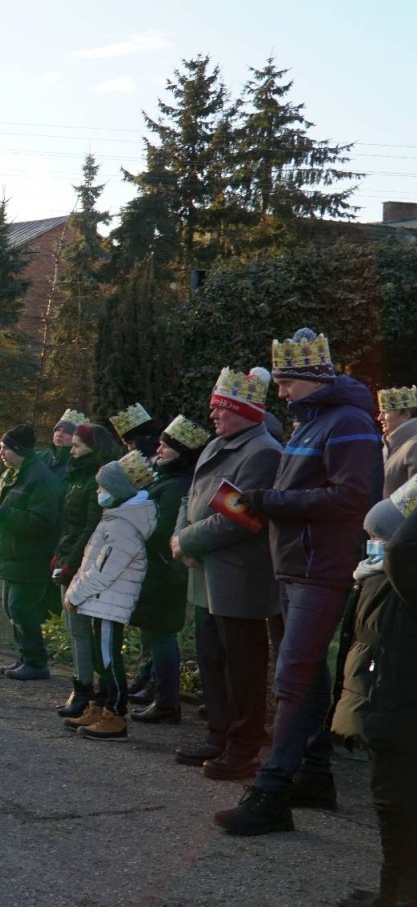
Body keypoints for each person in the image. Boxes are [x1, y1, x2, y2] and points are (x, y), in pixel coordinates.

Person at [217, 329, 382, 837]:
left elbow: (354, 498)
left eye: (286, 382)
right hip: (294, 565)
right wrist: (265, 503)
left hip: (319, 569)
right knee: (305, 677)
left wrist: (269, 501)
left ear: (311, 379)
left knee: (291, 677)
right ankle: (313, 776)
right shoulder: (310, 424)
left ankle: (271, 793)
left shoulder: (348, 423)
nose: (280, 391)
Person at [170, 366, 282, 779]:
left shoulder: (262, 452)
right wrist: (180, 534)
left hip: (238, 579)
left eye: (222, 408)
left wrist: (188, 541)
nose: (213, 415)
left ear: (243, 411)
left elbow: (239, 518)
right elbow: (192, 495)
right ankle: (219, 735)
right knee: (213, 661)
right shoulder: (221, 443)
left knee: (242, 668)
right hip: (208, 575)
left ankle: (243, 748)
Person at [332, 481, 417, 907]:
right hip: (384, 704)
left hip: (397, 707)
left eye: (377, 538)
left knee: (398, 803)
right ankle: (395, 889)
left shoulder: (403, 570)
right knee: (392, 802)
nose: (372, 545)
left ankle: (399, 893)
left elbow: (402, 548)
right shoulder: (377, 576)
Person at [63, 450, 157, 741]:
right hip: (102, 602)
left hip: (109, 604)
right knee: (98, 657)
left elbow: (104, 571)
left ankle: (115, 715)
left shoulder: (123, 526)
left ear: (117, 490)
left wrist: (75, 594)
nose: (99, 492)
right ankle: (100, 706)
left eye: (103, 487)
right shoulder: (114, 518)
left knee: (107, 660)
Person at [128, 415, 205, 725]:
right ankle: (157, 690)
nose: (157, 450)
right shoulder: (167, 480)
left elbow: (162, 532)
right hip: (157, 571)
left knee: (161, 636)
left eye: (165, 446)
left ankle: (167, 701)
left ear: (180, 451)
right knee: (154, 633)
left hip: (164, 572)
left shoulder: (175, 487)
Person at [0, 425, 64, 680]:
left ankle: (36, 662)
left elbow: (43, 520)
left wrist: (3, 514)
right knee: (12, 608)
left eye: (5, 448)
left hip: (31, 557)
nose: (1, 453)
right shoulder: (18, 474)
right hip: (15, 556)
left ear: (18, 449)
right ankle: (25, 657)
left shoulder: (39, 477)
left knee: (21, 607)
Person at [50, 423, 113, 717]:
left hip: (86, 561)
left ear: (93, 447)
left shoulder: (96, 479)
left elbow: (91, 526)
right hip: (70, 554)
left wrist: (70, 561)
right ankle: (82, 685)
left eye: (76, 446)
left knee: (82, 629)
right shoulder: (75, 476)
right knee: (75, 628)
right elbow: (68, 522)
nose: (71, 451)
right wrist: (60, 553)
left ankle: (88, 689)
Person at [378, 385, 417, 495]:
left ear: (405, 415)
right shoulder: (389, 445)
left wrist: (389, 512)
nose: (379, 417)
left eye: (385, 412)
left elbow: (414, 499)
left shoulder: (414, 446)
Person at [41, 408, 86, 478]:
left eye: (66, 431)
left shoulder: (78, 464)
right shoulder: (40, 457)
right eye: (58, 430)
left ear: (75, 438)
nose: (59, 434)